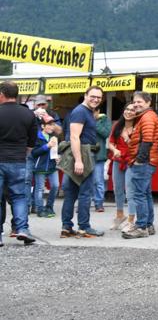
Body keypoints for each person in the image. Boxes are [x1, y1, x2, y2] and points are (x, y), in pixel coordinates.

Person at [60, 85, 106, 238]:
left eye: (99, 97)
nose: (96, 99)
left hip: (80, 154)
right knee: (85, 193)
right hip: (82, 155)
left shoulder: (86, 111)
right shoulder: (80, 111)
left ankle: (67, 228)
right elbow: (74, 137)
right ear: (85, 95)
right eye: (93, 96)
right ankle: (84, 228)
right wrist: (79, 161)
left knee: (71, 193)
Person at [0, 80, 37, 244]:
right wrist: (24, 152)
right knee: (19, 196)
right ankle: (22, 229)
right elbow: (32, 141)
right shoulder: (28, 114)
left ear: (2, 94)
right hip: (18, 161)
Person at [123, 92, 158, 239]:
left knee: (139, 195)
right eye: (135, 102)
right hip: (148, 160)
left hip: (144, 162)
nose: (136, 104)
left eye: (140, 102)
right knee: (145, 194)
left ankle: (141, 227)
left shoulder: (147, 117)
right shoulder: (146, 116)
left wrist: (139, 159)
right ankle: (149, 225)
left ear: (148, 102)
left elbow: (147, 140)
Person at [106, 104, 138, 232]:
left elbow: (137, 147)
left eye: (132, 110)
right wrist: (114, 150)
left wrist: (126, 138)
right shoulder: (117, 125)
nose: (129, 112)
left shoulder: (138, 127)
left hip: (131, 161)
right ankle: (120, 216)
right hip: (118, 160)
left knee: (130, 192)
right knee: (117, 189)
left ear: (136, 113)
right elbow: (110, 142)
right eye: (127, 109)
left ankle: (131, 220)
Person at [91, 109, 112, 212]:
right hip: (86, 154)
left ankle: (99, 203)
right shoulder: (84, 117)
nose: (92, 113)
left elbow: (106, 133)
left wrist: (95, 122)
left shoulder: (105, 120)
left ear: (98, 111)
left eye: (94, 111)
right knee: (86, 181)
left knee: (98, 181)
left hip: (99, 155)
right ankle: (85, 202)